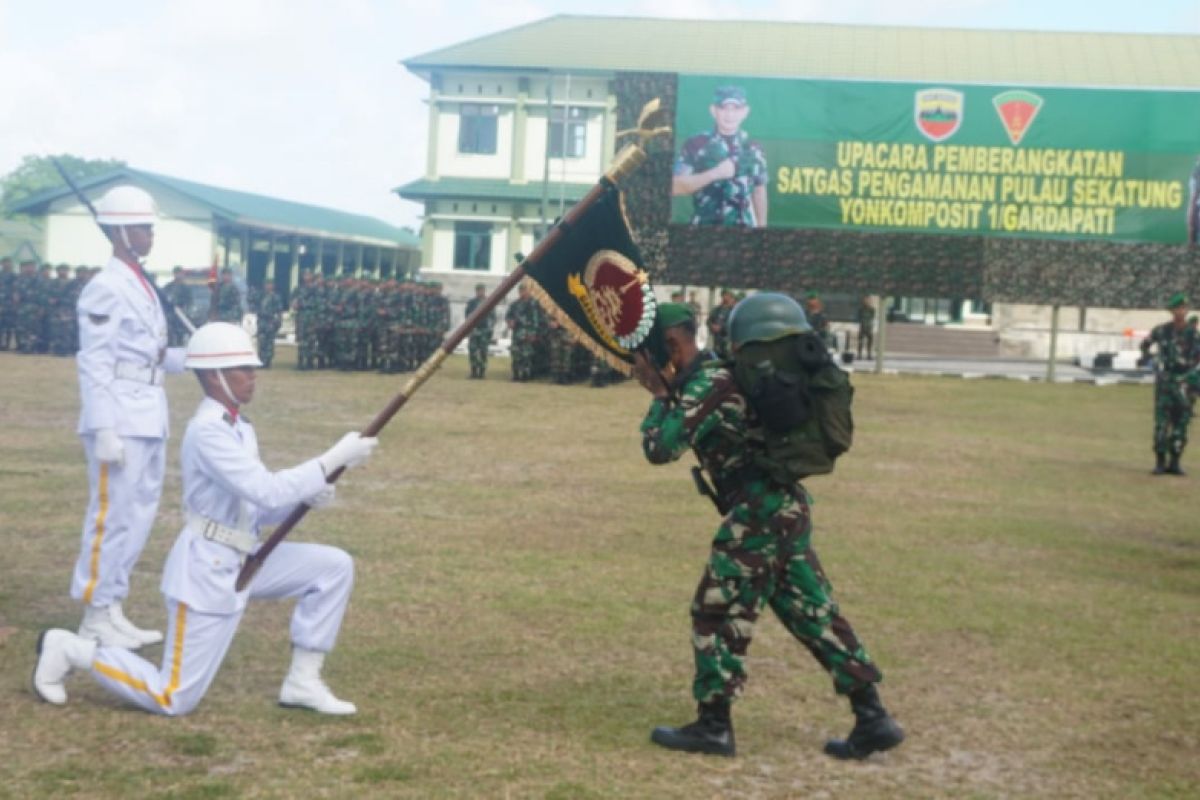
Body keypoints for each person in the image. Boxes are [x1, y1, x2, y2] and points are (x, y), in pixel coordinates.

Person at [34, 322, 378, 715]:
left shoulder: (239, 428)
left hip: (245, 558)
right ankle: (72, 651)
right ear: (215, 377)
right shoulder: (207, 432)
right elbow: (266, 488)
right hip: (207, 571)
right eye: (242, 369)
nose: (253, 377)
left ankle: (303, 681)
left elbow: (257, 507)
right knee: (174, 698)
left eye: (253, 368)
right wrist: (334, 458)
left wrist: (308, 497)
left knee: (333, 567)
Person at [633, 299, 902, 760]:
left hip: (759, 513)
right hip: (783, 508)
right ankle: (872, 715)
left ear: (673, 344)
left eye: (651, 352)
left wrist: (659, 396)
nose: (645, 362)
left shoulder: (711, 383)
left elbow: (661, 448)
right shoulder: (716, 374)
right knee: (811, 613)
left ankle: (713, 725)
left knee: (714, 612)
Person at [71, 185, 187, 650]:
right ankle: (94, 614)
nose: (149, 235)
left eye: (150, 227)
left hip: (148, 410)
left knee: (138, 516)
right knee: (111, 516)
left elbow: (150, 354)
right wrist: (102, 427)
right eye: (142, 227)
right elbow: (95, 361)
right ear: (120, 232)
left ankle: (113, 605)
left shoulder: (139, 281)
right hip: (118, 415)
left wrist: (194, 356)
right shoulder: (105, 286)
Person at [672, 86, 768, 228]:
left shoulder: (753, 148)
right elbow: (676, 186)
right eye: (724, 108)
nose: (730, 115)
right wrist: (715, 174)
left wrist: (762, 227)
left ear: (745, 112)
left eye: (736, 108)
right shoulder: (696, 143)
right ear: (713, 110)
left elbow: (759, 190)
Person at [1140, 292, 1200, 475]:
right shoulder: (1162, 330)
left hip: (1185, 384)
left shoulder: (1193, 333)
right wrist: (1150, 360)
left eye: (1183, 308)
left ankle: (1175, 462)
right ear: (1172, 311)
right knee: (1161, 424)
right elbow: (1145, 344)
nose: (1180, 311)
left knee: (1181, 424)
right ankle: (1160, 462)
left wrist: (1194, 379)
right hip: (1166, 382)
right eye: (1177, 308)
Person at [465, 282, 495, 379]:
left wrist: (490, 329)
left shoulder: (489, 302)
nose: (480, 292)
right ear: (476, 291)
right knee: (472, 351)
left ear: (484, 291)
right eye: (478, 290)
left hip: (484, 330)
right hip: (474, 330)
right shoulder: (471, 303)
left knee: (483, 352)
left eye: (481, 290)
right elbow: (467, 316)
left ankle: (482, 372)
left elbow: (493, 317)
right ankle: (473, 371)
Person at [255, 280, 284, 368]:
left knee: (269, 342)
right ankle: (261, 360)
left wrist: (278, 322)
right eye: (267, 284)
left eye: (270, 284)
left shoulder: (276, 297)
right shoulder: (260, 296)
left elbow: (279, 311)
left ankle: (268, 361)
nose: (268, 286)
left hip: (270, 322)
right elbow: (255, 306)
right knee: (261, 342)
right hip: (262, 321)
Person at [163, 266, 193, 346]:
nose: (178, 275)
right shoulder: (169, 286)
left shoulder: (185, 288)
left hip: (181, 314)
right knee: (170, 333)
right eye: (176, 273)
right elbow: (163, 298)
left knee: (180, 334)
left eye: (180, 273)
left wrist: (186, 312)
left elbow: (190, 301)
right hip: (170, 314)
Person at [705, 289, 736, 359]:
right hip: (717, 342)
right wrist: (712, 326)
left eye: (727, 295)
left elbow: (734, 323)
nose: (725, 297)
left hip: (728, 342)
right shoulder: (717, 309)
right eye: (724, 295)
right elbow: (708, 321)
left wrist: (721, 328)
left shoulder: (733, 310)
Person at [0, 256, 14, 350]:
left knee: (9, 324)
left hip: (10, 303)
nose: (6, 264)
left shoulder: (15, 276)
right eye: (5, 262)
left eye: (8, 262)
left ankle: (8, 344)